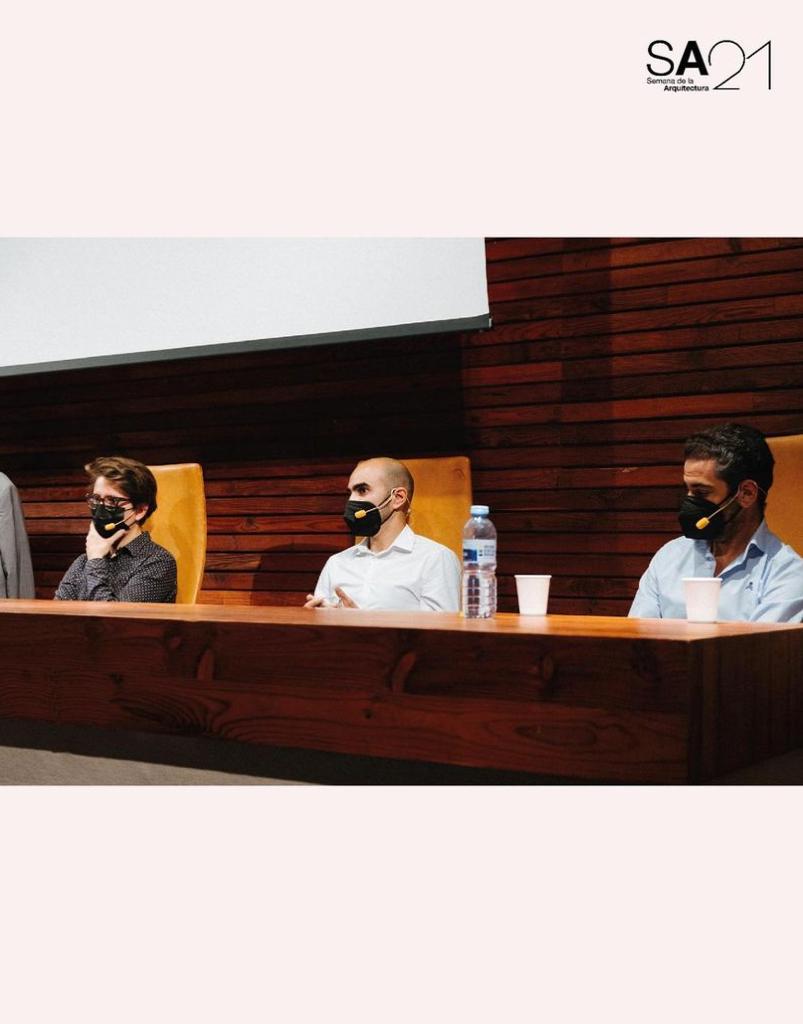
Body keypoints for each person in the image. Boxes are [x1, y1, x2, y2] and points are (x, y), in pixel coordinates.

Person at [629, 423, 803, 623]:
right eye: (687, 490)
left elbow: (758, 652)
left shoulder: (787, 574)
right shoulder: (669, 558)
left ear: (746, 493)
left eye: (701, 492)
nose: (689, 501)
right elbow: (637, 642)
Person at [304, 456, 461, 612]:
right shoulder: (336, 563)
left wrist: (359, 623)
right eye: (350, 493)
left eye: (362, 490)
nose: (351, 501)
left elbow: (442, 635)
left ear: (397, 498)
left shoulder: (436, 559)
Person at [55, 456, 177, 603]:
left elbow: (114, 621)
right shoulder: (83, 561)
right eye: (96, 499)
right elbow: (57, 616)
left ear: (140, 511)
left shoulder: (157, 562)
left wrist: (96, 561)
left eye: (112, 501)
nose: (101, 509)